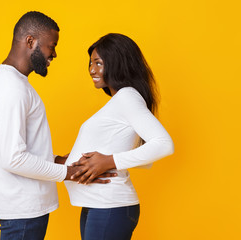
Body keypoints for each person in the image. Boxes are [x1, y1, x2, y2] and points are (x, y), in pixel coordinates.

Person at [0, 11, 114, 240]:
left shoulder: (13, 83)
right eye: (51, 46)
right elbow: (12, 157)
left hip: (24, 211)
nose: (54, 54)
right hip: (22, 212)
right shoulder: (10, 87)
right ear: (30, 41)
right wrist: (68, 172)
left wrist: (58, 160)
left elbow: (21, 149)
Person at [64, 33, 174, 240]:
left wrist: (109, 161)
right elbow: (131, 152)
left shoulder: (127, 97)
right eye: (90, 63)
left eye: (98, 63)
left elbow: (164, 144)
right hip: (98, 205)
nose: (91, 70)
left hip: (109, 206)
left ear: (117, 62)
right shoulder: (120, 100)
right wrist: (69, 160)